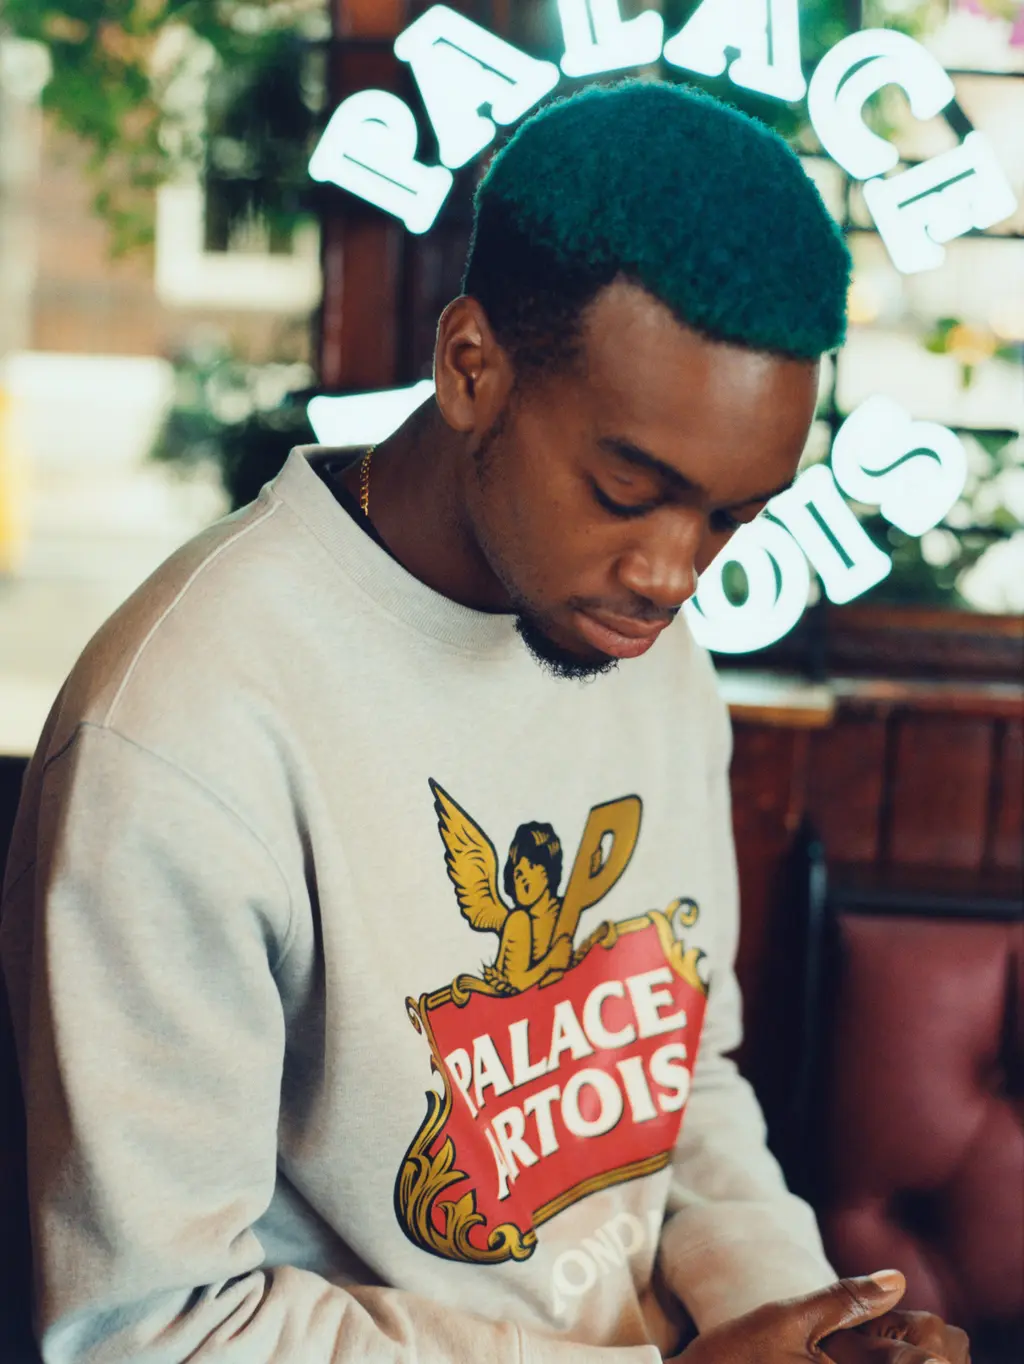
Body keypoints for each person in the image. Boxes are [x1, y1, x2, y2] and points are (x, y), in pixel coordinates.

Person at [0, 81, 969, 1364]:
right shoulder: (180, 735)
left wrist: (803, 1319)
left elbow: (679, 1081)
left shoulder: (638, 638)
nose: (674, 574)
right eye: (627, 488)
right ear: (471, 367)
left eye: (732, 517)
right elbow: (155, 1331)